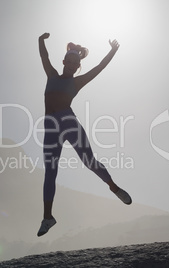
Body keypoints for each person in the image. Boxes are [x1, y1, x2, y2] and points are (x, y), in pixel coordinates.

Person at [37, 33, 132, 237]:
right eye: (69, 62)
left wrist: (112, 51)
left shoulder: (77, 82)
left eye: (75, 64)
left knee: (89, 161)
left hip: (68, 122)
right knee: (50, 172)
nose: (71, 65)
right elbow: (44, 57)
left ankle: (114, 187)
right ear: (64, 62)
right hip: (51, 127)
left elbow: (99, 68)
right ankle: (48, 218)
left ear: (77, 66)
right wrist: (40, 40)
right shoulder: (52, 76)